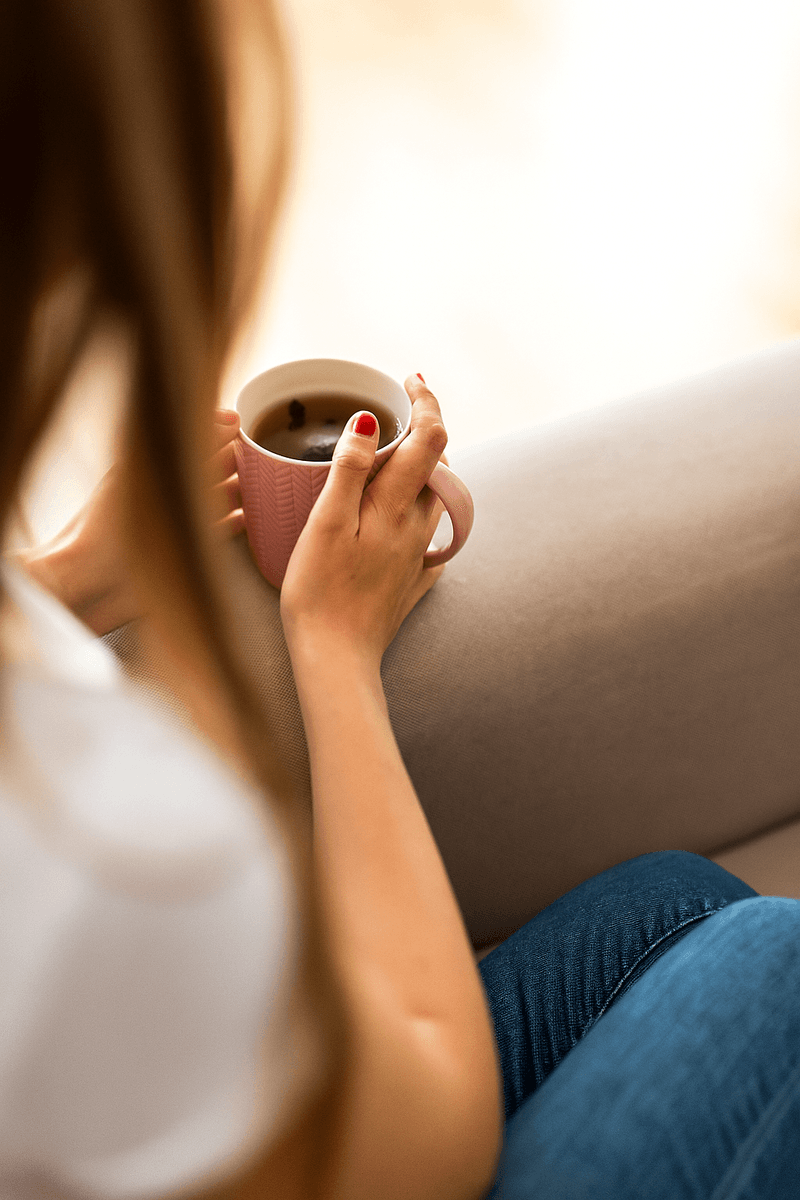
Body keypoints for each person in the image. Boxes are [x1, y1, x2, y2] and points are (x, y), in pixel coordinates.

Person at [1, 4, 799, 1200]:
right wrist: (331, 646)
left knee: (666, 904)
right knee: (768, 962)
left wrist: (58, 578)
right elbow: (423, 1146)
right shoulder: (103, 831)